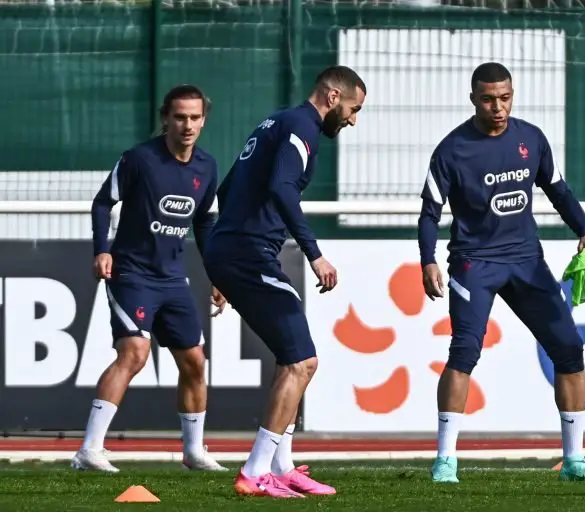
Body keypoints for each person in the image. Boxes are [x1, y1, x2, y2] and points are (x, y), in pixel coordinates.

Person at [418, 62, 585, 484]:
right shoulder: (452, 150)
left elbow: (559, 191)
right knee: (464, 352)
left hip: (527, 260)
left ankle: (574, 461)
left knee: (569, 349)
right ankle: (445, 461)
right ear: (473, 99)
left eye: (505, 98)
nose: (498, 107)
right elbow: (430, 212)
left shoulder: (531, 139)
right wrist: (428, 259)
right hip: (475, 263)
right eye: (489, 99)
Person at [203, 65, 366, 498]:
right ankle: (255, 471)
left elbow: (228, 190)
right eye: (354, 109)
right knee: (302, 362)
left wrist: (221, 258)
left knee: (291, 358)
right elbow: (282, 188)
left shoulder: (275, 122)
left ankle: (282, 465)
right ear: (333, 97)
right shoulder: (302, 127)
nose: (353, 120)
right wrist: (314, 254)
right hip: (247, 254)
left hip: (235, 251)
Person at [71, 84, 228, 473]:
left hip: (173, 278)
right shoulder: (140, 158)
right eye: (180, 117)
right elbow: (103, 201)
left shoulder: (207, 167)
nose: (187, 125)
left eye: (194, 117)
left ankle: (193, 452)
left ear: (204, 121)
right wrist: (102, 249)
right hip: (131, 272)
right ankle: (89, 450)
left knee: (195, 361)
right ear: (165, 119)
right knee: (135, 353)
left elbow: (205, 223)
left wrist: (218, 273)